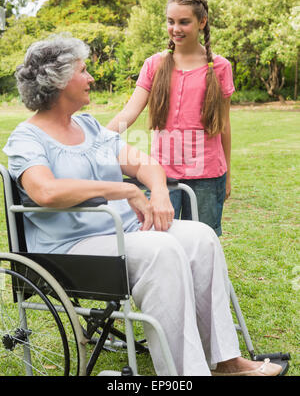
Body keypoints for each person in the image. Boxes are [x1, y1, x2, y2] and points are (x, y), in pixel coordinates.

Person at [3, 35, 281, 377]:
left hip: (125, 233)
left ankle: (226, 361)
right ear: (58, 80)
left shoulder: (89, 126)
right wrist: (125, 191)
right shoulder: (27, 138)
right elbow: (44, 191)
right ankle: (185, 376)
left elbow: (143, 163)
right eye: (83, 70)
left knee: (201, 238)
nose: (90, 77)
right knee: (161, 249)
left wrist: (158, 191)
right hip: (70, 248)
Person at [107, 0, 234, 237]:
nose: (176, 28)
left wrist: (227, 174)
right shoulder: (154, 64)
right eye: (171, 21)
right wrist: (96, 137)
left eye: (184, 22)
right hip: (163, 175)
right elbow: (130, 111)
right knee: (161, 238)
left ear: (202, 22)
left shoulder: (220, 67)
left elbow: (224, 125)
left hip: (208, 175)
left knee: (204, 240)